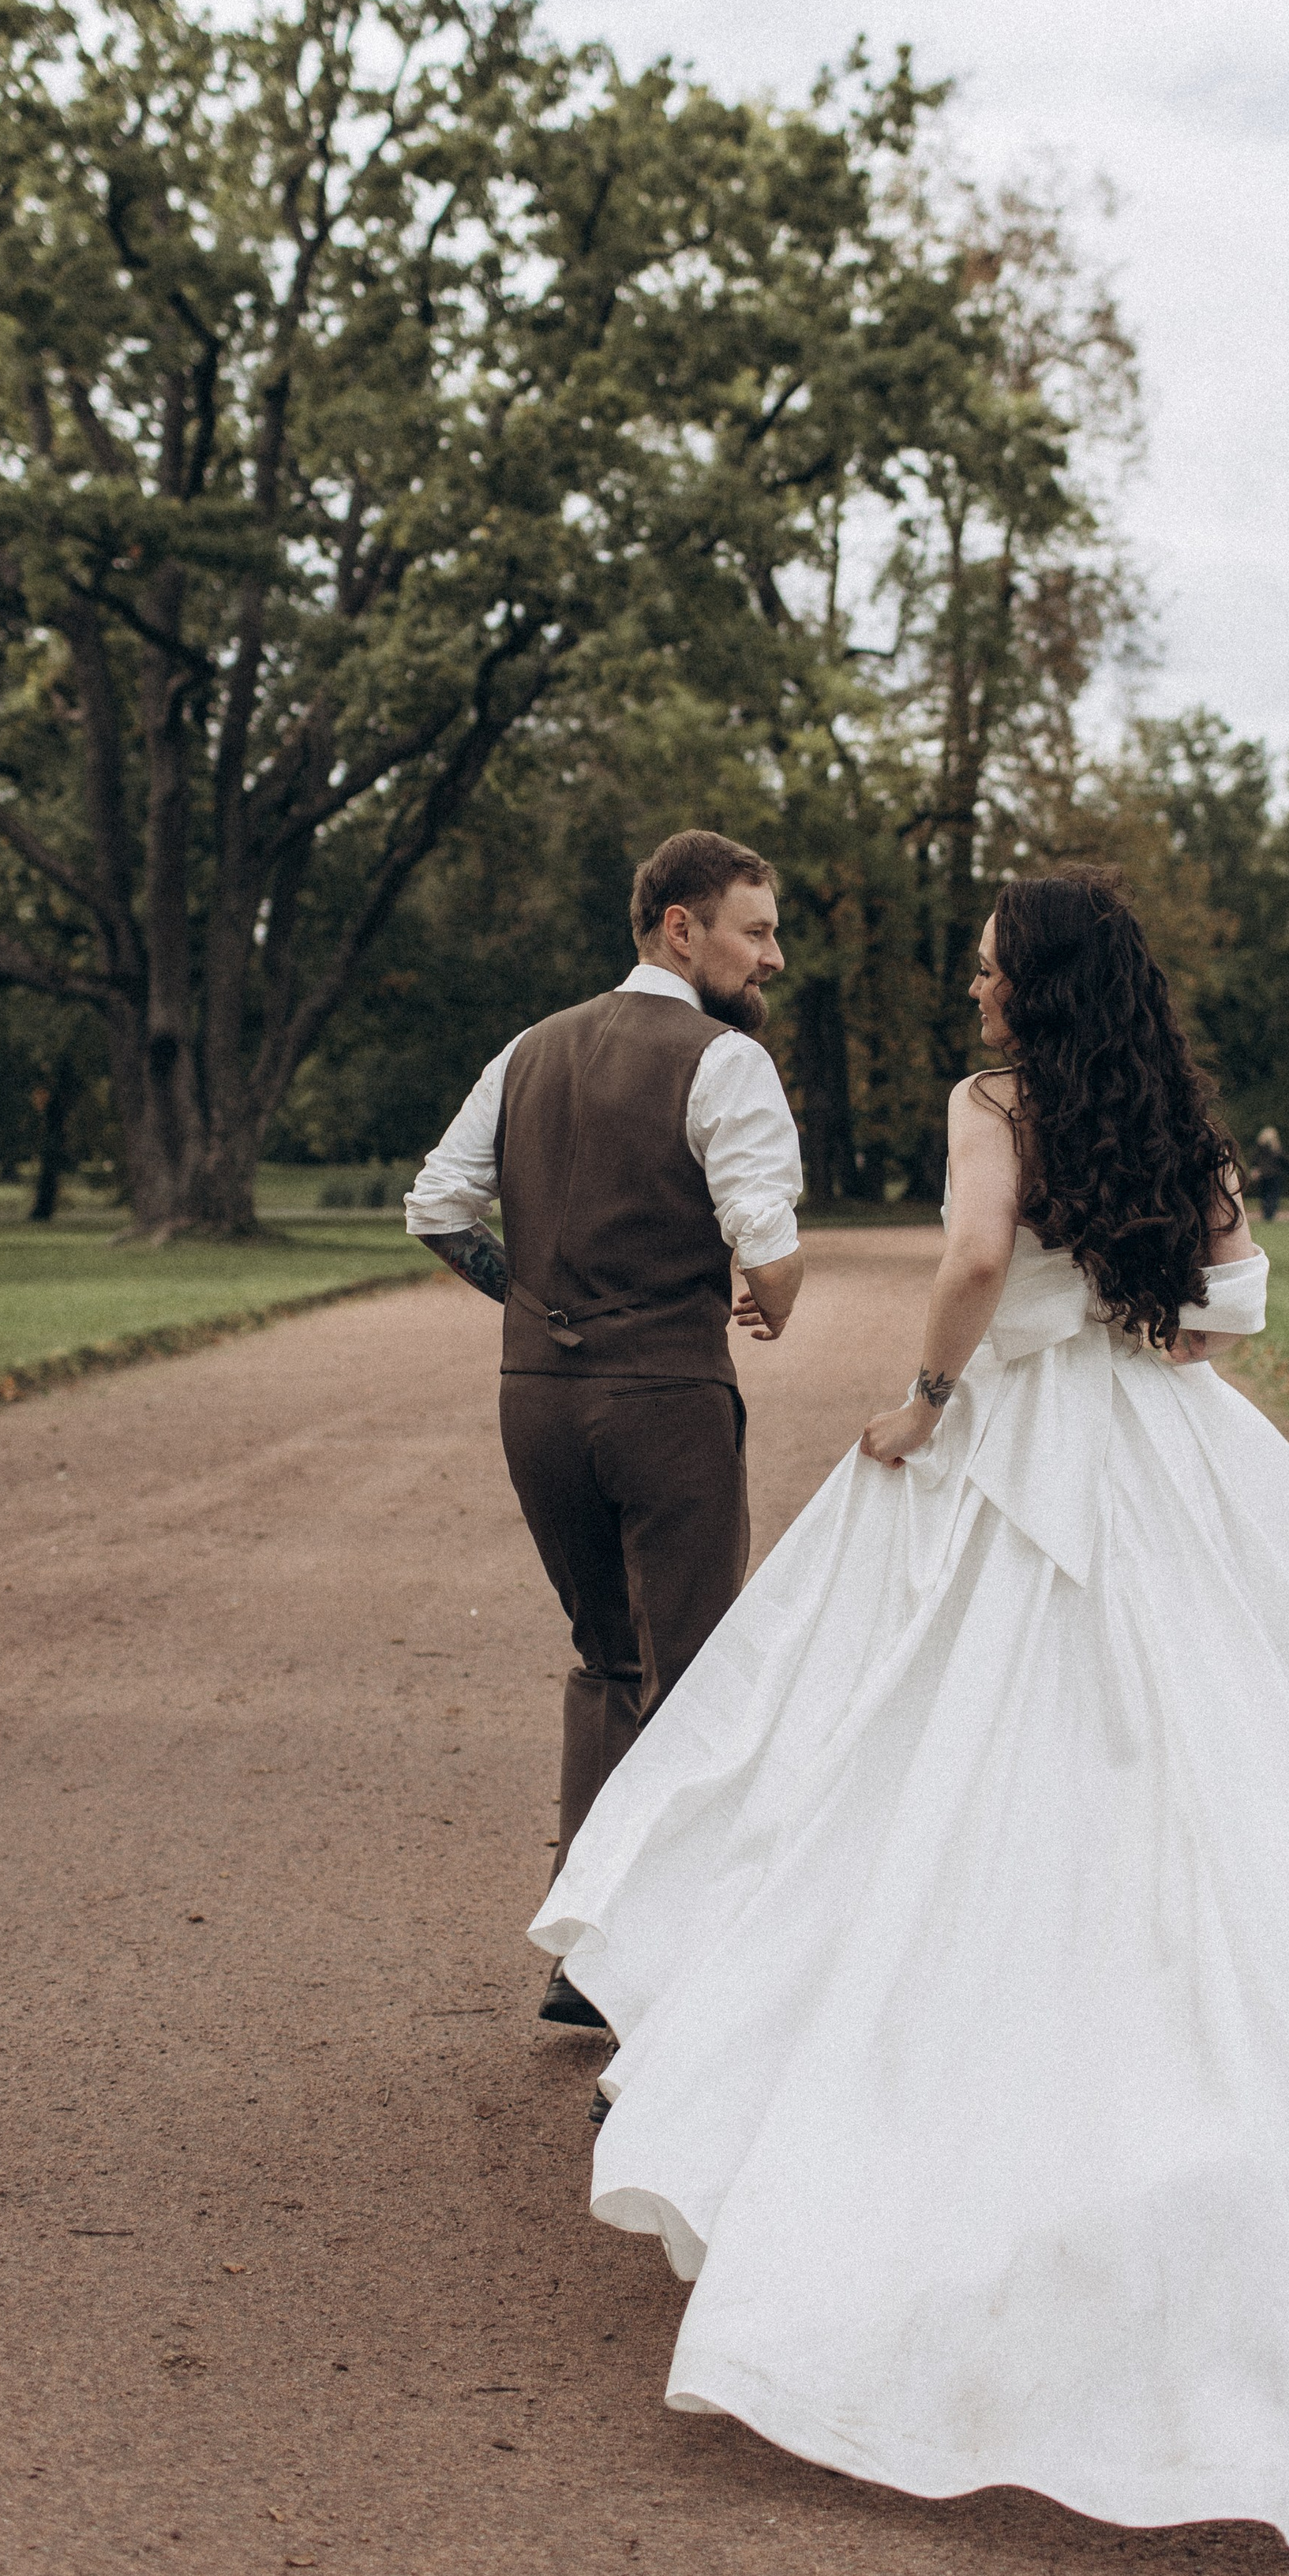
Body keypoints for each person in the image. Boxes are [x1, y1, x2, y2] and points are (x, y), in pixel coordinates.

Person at [528, 863, 1289, 2549]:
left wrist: (923, 1397)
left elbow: (976, 1254)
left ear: (1027, 987)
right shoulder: (1159, 1112)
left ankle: (960, 2157)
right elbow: (1237, 1289)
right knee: (1215, 1790)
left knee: (910, 1775)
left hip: (1018, 1454)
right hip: (1155, 1459)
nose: (976, 990)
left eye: (989, 969)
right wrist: (1148, 1333)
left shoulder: (997, 1102)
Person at [408, 829, 804, 2028]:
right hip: (666, 1400)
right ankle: (672, 1970)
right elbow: (772, 1257)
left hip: (536, 1395)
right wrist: (765, 1296)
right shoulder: (724, 1063)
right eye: (757, 929)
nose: (772, 957)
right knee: (693, 1673)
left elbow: (437, 1208)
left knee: (604, 1658)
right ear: (682, 929)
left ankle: (586, 1957)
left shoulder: (531, 1048)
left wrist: (534, 1301)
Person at [1253, 1121, 1285, 1220]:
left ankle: (1266, 1213)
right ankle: (1271, 1213)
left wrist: (1255, 1169)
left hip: (1263, 1174)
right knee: (1273, 1194)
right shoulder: (1276, 1149)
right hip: (1274, 1174)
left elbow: (1254, 1159)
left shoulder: (1259, 1148)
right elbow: (1283, 1159)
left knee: (1265, 1195)